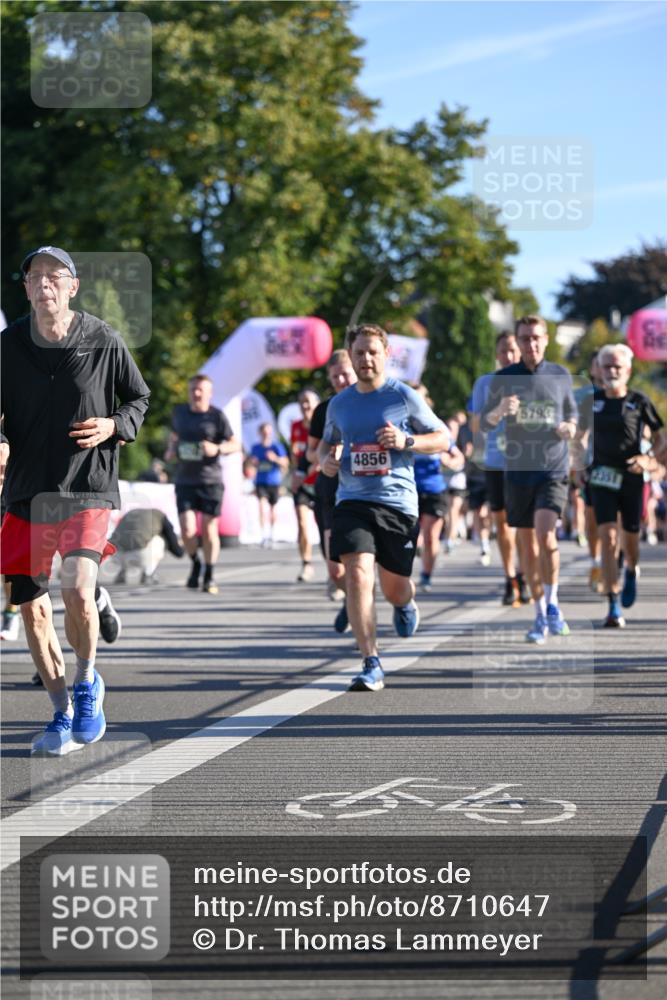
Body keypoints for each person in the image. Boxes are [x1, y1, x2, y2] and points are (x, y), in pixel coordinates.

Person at [0, 245, 150, 754]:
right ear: (25, 289)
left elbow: (139, 398)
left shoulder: (103, 339)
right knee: (32, 613)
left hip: (87, 488)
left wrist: (114, 425)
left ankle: (87, 682)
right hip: (24, 495)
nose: (43, 282)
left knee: (78, 591)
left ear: (72, 287)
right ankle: (60, 711)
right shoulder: (7, 346)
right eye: (34, 276)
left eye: (54, 275)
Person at [319, 323, 450, 692]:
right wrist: (327, 461)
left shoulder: (403, 396)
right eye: (359, 352)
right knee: (357, 572)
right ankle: (370, 661)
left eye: (372, 352)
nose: (366, 359)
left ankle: (405, 604)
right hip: (353, 500)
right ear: (352, 354)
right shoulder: (339, 404)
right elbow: (325, 445)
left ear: (386, 354)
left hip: (396, 504)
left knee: (394, 589)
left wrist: (406, 439)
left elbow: (443, 438)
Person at [481, 315, 578, 644]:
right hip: (518, 471)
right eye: (524, 339)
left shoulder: (561, 375)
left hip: (552, 467)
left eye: (536, 338)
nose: (530, 344)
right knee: (527, 547)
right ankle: (539, 612)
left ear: (546, 339)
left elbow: (572, 416)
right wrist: (500, 411)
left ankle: (552, 602)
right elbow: (484, 424)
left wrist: (570, 428)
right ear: (517, 342)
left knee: (546, 535)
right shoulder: (503, 378)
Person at [577, 343, 666, 627]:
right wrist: (577, 464)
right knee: (608, 538)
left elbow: (662, 440)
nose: (612, 371)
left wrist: (648, 459)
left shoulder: (640, 401)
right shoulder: (591, 402)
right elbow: (579, 437)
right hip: (601, 475)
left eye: (617, 367)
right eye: (607, 366)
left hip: (631, 476)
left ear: (627, 371)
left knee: (630, 539)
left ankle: (632, 568)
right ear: (599, 371)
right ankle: (613, 604)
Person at [470, 330, 530, 605]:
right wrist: (498, 411)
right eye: (504, 351)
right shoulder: (485, 383)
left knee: (524, 525)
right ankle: (510, 578)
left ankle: (525, 573)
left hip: (526, 461)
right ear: (496, 355)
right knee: (503, 524)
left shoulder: (534, 380)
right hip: (495, 461)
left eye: (513, 351)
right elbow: (475, 426)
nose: (509, 356)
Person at [166, 373, 241, 594]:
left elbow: (235, 445)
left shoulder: (217, 417)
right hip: (185, 480)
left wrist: (217, 448)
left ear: (209, 393)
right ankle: (196, 562)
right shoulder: (179, 413)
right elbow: (174, 438)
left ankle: (209, 573)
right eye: (193, 390)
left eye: (201, 390)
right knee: (187, 531)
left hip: (210, 481)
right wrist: (171, 450)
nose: (196, 393)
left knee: (209, 531)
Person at [306, 351, 357, 627]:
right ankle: (354, 602)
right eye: (335, 376)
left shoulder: (368, 403)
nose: (340, 380)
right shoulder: (324, 409)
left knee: (359, 563)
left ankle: (359, 610)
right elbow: (310, 453)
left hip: (361, 489)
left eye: (345, 373)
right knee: (336, 569)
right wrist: (325, 459)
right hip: (329, 490)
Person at [290, 388, 320, 582]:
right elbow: (295, 454)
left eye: (308, 401)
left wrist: (309, 471)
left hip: (320, 481)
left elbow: (323, 455)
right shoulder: (296, 426)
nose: (305, 406)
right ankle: (306, 564)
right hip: (301, 483)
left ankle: (335, 566)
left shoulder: (323, 425)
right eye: (302, 402)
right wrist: (296, 471)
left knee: (325, 525)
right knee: (302, 523)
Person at [110, 507, 184, 584]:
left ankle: (122, 571)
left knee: (128, 536)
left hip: (115, 554)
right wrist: (182, 548)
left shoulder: (130, 512)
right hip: (139, 556)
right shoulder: (160, 516)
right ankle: (148, 573)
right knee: (161, 539)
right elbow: (175, 546)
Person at [249, 422, 289, 547]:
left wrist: (275, 458)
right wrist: (252, 463)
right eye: (264, 432)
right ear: (260, 433)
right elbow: (249, 465)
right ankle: (263, 535)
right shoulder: (255, 447)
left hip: (274, 481)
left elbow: (285, 463)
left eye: (268, 432)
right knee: (261, 505)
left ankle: (272, 533)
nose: (266, 435)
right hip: (260, 481)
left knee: (273, 509)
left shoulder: (277, 447)